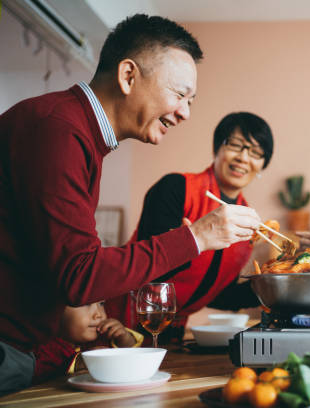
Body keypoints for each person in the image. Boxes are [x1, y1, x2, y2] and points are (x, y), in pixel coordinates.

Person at [0, 15, 261, 394]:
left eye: (191, 101)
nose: (185, 112)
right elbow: (81, 276)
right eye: (180, 95)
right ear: (128, 76)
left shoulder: (79, 133)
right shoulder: (58, 129)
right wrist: (197, 236)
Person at [105, 112, 274, 341]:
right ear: (217, 149)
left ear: (262, 165)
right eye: (235, 145)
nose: (244, 158)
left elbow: (216, 294)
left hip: (172, 335)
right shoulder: (175, 188)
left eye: (255, 152)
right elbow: (149, 266)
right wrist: (191, 239)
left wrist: (275, 285)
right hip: (120, 323)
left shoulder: (248, 224)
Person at [32, 301, 142, 384]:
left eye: (101, 304)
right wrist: (81, 362)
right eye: (86, 304)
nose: (98, 314)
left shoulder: (100, 337)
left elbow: (130, 354)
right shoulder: (43, 348)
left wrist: (123, 338)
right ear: (56, 309)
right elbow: (44, 376)